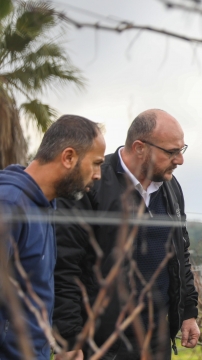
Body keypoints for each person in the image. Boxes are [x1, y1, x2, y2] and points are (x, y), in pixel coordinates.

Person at [53, 109, 200, 360]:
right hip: (103, 342)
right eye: (171, 152)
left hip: (157, 336)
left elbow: (180, 254)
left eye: (181, 150)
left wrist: (188, 311)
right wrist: (69, 340)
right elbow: (65, 267)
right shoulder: (92, 183)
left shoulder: (171, 187)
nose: (180, 160)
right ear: (139, 147)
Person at [0, 115, 106, 360]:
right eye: (96, 163)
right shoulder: (9, 204)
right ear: (69, 157)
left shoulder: (45, 206)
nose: (98, 174)